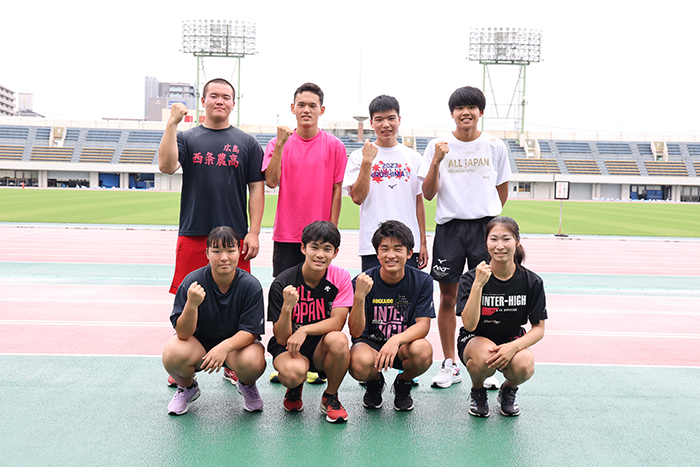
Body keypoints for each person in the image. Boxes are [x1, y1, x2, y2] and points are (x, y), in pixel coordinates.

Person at [158, 78, 264, 386]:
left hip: (233, 240)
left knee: (235, 301)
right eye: (214, 95)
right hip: (194, 233)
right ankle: (183, 366)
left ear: (233, 103)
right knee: (189, 300)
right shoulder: (187, 137)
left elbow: (257, 188)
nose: (220, 100)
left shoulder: (247, 143)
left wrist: (254, 232)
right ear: (203, 101)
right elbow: (166, 166)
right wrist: (171, 124)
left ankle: (232, 363)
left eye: (226, 96)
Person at [418, 86, 511, 390]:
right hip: (450, 229)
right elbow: (428, 193)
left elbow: (501, 190)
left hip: (484, 229)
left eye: (472, 107)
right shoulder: (437, 146)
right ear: (452, 113)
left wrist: (489, 221)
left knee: (486, 296)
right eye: (459, 108)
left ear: (481, 112)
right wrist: (436, 161)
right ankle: (449, 363)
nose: (465, 112)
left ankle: (488, 359)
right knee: (448, 298)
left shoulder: (495, 146)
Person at [162, 226, 267, 415]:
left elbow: (251, 332)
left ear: (239, 252)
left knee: (254, 360)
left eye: (230, 250)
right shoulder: (192, 282)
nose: (224, 257)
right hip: (199, 347)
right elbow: (183, 333)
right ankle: (187, 387)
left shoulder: (250, 285)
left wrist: (224, 347)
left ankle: (247, 384)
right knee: (172, 352)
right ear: (207, 254)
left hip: (235, 349)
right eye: (216, 251)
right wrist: (192, 304)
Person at [456, 217, 547, 417]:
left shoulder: (532, 282)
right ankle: (478, 391)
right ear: (486, 243)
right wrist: (478, 285)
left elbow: (539, 329)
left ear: (517, 242)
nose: (499, 246)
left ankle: (508, 390)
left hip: (512, 339)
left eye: (506, 239)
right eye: (493, 239)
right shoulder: (471, 278)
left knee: (525, 364)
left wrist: (513, 347)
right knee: (484, 358)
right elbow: (469, 325)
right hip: (474, 339)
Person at [266, 221, 354, 423]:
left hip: (321, 346)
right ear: (303, 248)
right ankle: (295, 387)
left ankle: (330, 396)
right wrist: (287, 307)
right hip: (290, 346)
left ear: (335, 252)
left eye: (327, 249)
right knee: (292, 374)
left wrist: (304, 330)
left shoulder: (341, 277)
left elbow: (337, 322)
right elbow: (281, 338)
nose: (320, 254)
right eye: (314, 247)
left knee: (339, 340)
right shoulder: (283, 282)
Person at [262, 83, 347, 277]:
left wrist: (332, 231)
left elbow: (337, 190)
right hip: (286, 234)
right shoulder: (276, 143)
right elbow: (271, 181)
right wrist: (280, 144)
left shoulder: (335, 146)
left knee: (318, 292)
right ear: (293, 108)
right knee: (285, 289)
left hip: (321, 237)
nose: (306, 110)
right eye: (301, 105)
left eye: (312, 105)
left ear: (321, 110)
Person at [348, 221, 434, 411]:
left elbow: (423, 325)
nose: (391, 255)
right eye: (384, 249)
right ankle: (374, 382)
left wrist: (396, 340)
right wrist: (359, 296)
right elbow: (355, 331)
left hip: (403, 346)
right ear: (377, 253)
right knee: (357, 363)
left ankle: (403, 383)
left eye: (398, 249)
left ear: (409, 253)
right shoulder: (362, 282)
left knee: (423, 351)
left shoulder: (423, 281)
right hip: (370, 344)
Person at [342, 95, 428, 271]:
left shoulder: (413, 157)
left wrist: (423, 243)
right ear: (371, 123)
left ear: (399, 120)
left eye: (391, 118)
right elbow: (357, 198)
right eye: (379, 119)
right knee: (372, 288)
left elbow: (419, 202)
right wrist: (367, 161)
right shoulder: (359, 156)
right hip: (372, 245)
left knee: (407, 289)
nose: (386, 124)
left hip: (407, 244)